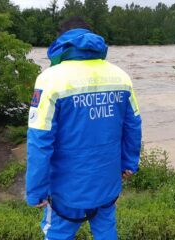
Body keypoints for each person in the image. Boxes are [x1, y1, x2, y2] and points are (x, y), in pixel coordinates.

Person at [25, 16, 142, 240]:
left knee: (57, 234)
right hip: (107, 182)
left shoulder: (49, 80)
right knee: (106, 231)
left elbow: (40, 140)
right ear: (92, 37)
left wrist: (36, 190)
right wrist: (129, 163)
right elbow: (133, 126)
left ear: (61, 41)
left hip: (66, 189)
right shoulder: (121, 76)